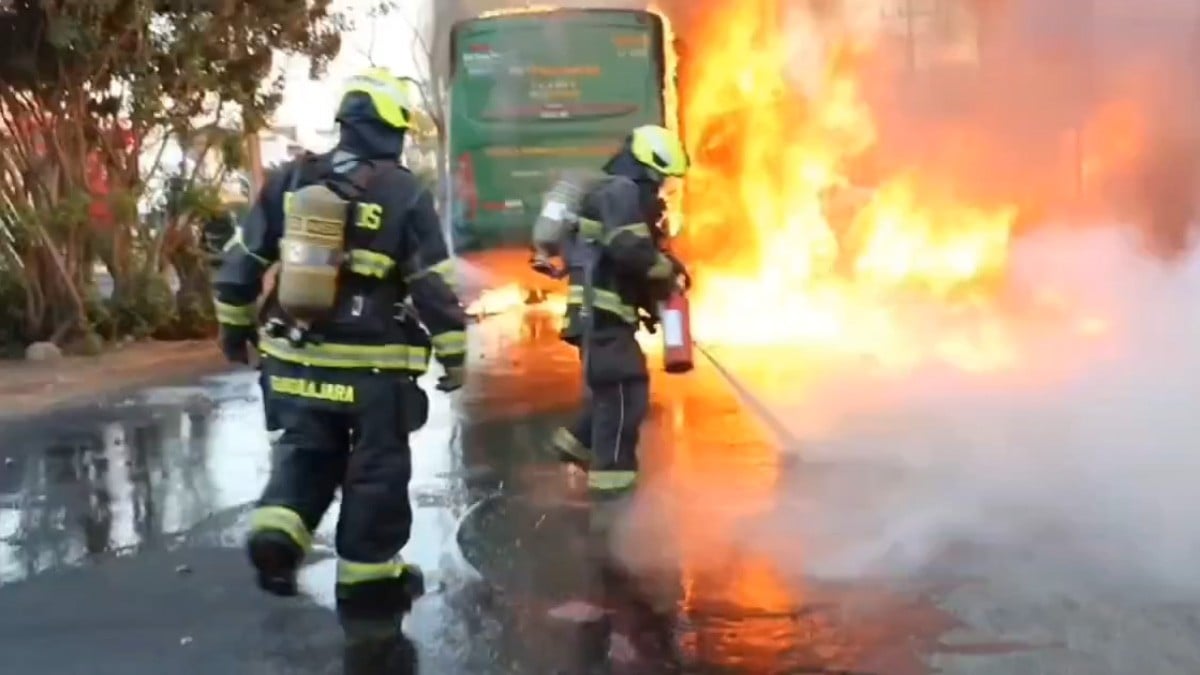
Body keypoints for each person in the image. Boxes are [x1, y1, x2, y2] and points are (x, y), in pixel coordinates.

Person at [211, 68, 468, 635]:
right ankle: (368, 582)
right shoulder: (403, 192)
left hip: (294, 361)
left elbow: (240, 266)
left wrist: (235, 331)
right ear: (394, 127)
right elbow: (432, 285)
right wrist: (454, 353)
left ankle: (277, 532)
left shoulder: (291, 179)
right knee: (377, 472)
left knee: (306, 453)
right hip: (373, 369)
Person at [540, 125, 690, 497]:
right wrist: (667, 269)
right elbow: (629, 249)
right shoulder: (621, 191)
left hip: (599, 315)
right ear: (648, 167)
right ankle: (613, 494)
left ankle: (574, 445)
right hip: (602, 316)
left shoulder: (617, 193)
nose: (662, 188)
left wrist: (660, 293)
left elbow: (629, 261)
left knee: (611, 393)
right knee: (625, 393)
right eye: (662, 178)